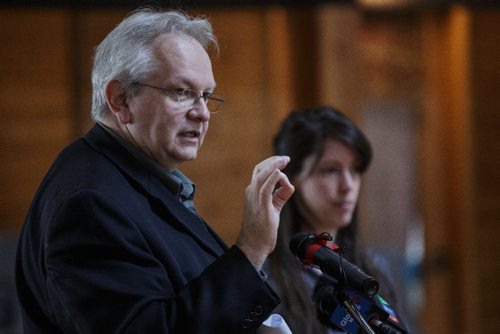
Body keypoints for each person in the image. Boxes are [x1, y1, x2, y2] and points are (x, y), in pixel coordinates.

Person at [15, 8, 295, 333]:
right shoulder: (89, 202)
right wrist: (251, 246)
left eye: (206, 95)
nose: (203, 113)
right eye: (182, 92)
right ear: (120, 99)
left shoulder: (136, 177)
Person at [266, 106, 404, 334]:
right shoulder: (268, 278)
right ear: (293, 179)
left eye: (355, 169)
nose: (348, 185)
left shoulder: (376, 267)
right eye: (330, 170)